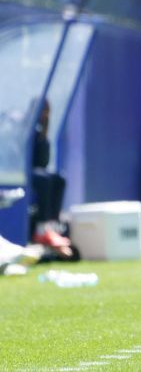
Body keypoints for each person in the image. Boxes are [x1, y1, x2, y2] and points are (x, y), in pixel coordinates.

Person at [30, 100, 72, 258]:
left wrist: (42, 141)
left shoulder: (42, 135)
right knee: (44, 179)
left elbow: (43, 162)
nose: (44, 114)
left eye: (46, 111)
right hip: (23, 174)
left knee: (59, 178)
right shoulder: (25, 131)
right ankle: (42, 229)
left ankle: (53, 226)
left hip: (36, 173)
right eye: (41, 110)